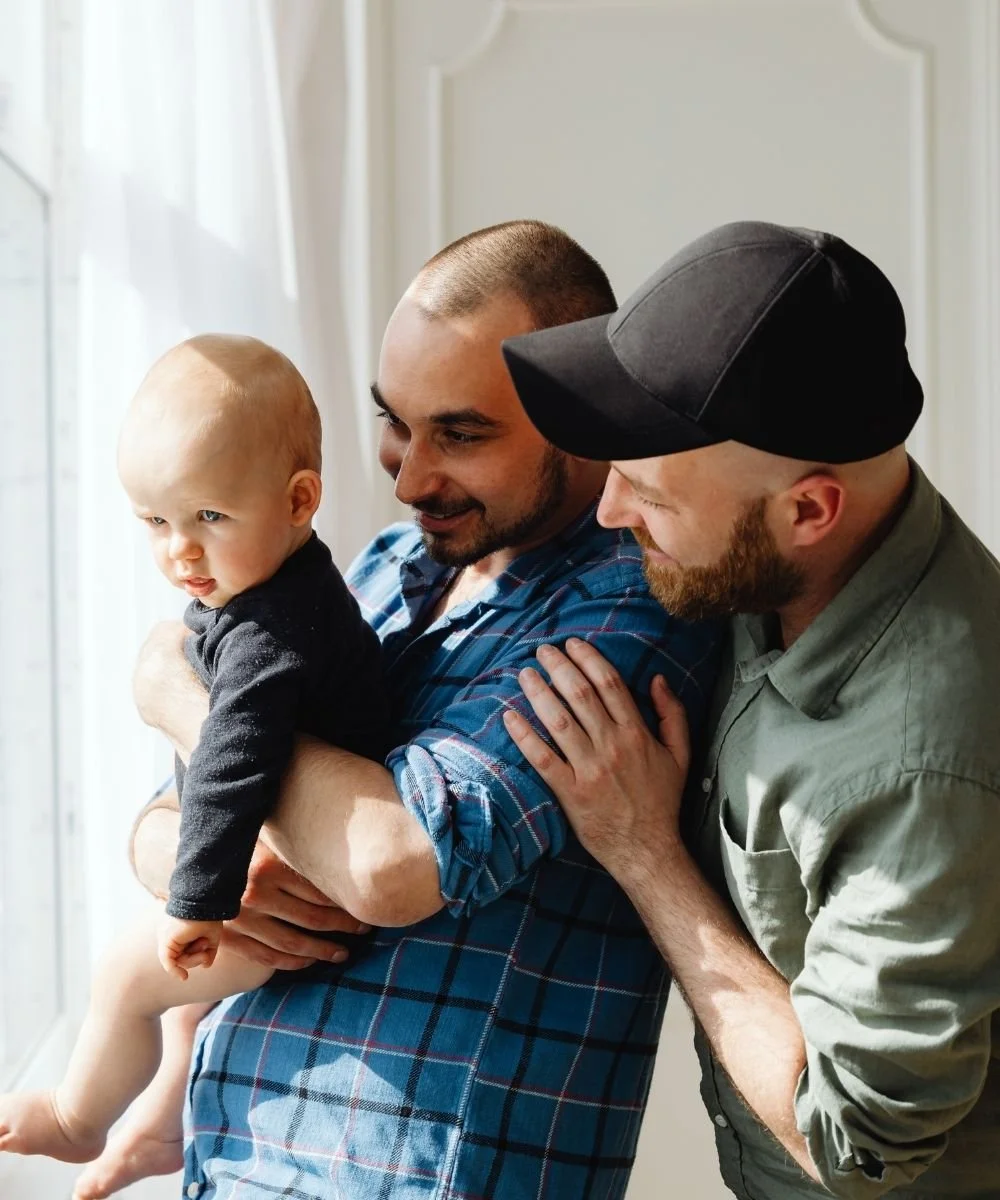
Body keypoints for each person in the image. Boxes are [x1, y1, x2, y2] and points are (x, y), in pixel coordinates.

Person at [74, 220, 723, 1200]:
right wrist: (224, 859)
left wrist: (176, 689)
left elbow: (392, 863)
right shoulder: (382, 569)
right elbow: (163, 827)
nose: (411, 476)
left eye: (459, 433)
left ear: (584, 413)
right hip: (235, 1160)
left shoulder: (634, 601)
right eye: (395, 423)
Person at [500, 219, 1000, 1198]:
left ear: (808, 511)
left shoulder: (923, 760)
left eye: (649, 494)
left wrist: (644, 854)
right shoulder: (758, 564)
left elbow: (858, 1146)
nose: (609, 516)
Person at [0, 334, 388, 1173]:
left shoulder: (268, 636)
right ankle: (169, 1115)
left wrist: (197, 899)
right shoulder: (282, 586)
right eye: (156, 521)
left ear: (299, 498)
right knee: (185, 1010)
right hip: (290, 879)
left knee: (126, 979)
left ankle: (76, 1115)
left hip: (300, 901)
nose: (180, 550)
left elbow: (231, 763)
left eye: (209, 517)